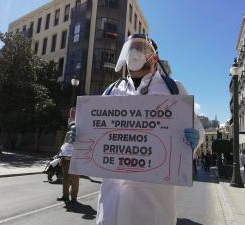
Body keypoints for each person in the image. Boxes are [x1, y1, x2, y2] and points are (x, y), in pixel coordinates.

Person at [95, 34, 205, 225]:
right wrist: (80, 137)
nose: (134, 53)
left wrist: (196, 139)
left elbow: (197, 128)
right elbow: (96, 132)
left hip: (154, 203)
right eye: (131, 49)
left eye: (140, 48)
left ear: (153, 57)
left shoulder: (173, 89)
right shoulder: (112, 90)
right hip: (112, 201)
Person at [57, 122, 80, 203]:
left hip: (74, 159)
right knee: (67, 178)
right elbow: (64, 146)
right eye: (71, 127)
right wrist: (60, 157)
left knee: (73, 178)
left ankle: (72, 197)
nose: (71, 128)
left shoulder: (80, 135)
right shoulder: (68, 134)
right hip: (67, 159)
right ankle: (67, 196)